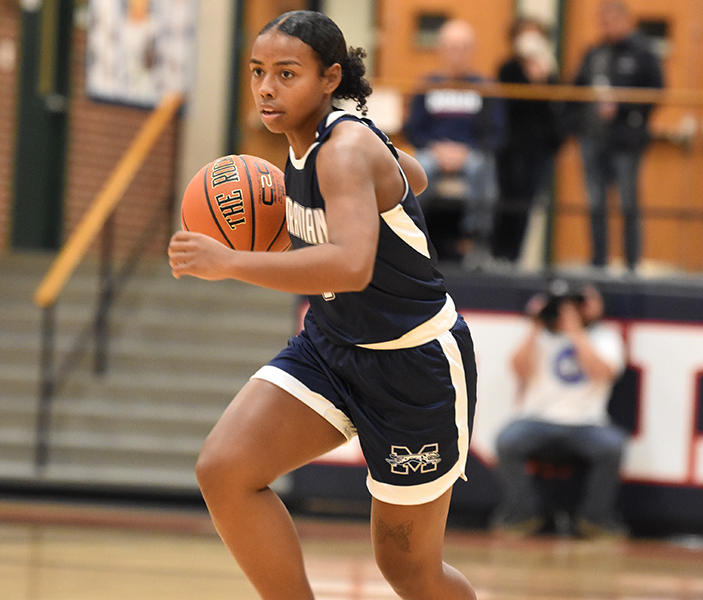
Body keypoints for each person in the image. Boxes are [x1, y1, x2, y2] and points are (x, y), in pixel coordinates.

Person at [168, 11, 478, 600]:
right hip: (332, 344)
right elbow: (413, 174)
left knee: (410, 571)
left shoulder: (342, 149)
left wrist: (230, 261)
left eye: (287, 74)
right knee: (225, 471)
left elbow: (351, 266)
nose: (266, 87)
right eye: (258, 71)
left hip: (413, 366)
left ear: (330, 77)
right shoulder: (315, 141)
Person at [494, 281, 628, 539]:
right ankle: (523, 514)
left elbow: (605, 372)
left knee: (613, 446)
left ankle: (595, 519)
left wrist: (575, 331)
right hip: (536, 420)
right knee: (507, 441)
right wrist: (535, 324)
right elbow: (518, 369)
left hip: (588, 423)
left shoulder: (604, 336)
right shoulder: (538, 334)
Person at [569, 0, 664, 272]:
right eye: (601, 21)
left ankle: (631, 264)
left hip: (626, 141)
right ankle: (599, 261)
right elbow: (576, 90)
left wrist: (624, 109)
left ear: (624, 20)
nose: (605, 26)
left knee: (628, 203)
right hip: (593, 139)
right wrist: (577, 126)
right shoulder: (595, 52)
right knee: (595, 202)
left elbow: (656, 91)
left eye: (609, 20)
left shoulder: (643, 52)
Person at [403, 19, 506, 265]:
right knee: (418, 168)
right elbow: (412, 130)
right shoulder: (427, 86)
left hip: (471, 153)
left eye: (462, 48)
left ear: (472, 51)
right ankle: (410, 238)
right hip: (433, 152)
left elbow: (497, 133)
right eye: (451, 47)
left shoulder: (486, 88)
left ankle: (476, 240)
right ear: (441, 50)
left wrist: (465, 151)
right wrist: (436, 148)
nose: (456, 54)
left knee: (482, 166)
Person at [493, 16, 565, 265]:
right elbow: (508, 105)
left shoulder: (550, 72)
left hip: (539, 148)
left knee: (528, 202)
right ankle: (498, 253)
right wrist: (530, 81)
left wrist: (543, 81)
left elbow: (555, 111)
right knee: (507, 199)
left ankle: (515, 257)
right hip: (510, 147)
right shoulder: (507, 68)